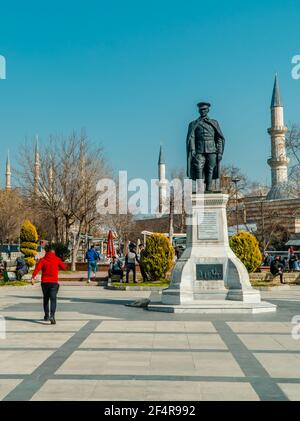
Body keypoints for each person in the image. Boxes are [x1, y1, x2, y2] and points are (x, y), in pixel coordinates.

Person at [31, 244, 66, 324]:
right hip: (53, 283)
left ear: (46, 252)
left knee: (46, 299)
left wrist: (33, 277)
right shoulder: (57, 259)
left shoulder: (42, 260)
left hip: (45, 283)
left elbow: (37, 269)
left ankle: (46, 315)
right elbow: (64, 267)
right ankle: (52, 316)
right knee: (53, 300)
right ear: (54, 252)